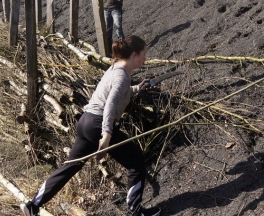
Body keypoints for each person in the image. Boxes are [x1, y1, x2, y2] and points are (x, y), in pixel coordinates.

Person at [21, 36, 161, 216]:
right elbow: (110, 104)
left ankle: (33, 205)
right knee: (136, 161)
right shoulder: (122, 75)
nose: (145, 58)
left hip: (86, 122)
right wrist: (107, 135)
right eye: (144, 54)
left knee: (70, 166)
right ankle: (136, 211)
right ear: (134, 55)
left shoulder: (115, 69)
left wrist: (136, 89)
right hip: (98, 124)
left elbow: (115, 92)